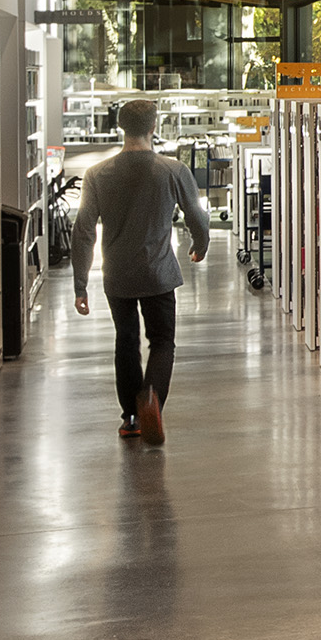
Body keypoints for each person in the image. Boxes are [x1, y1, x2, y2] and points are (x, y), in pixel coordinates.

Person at [72, 99, 210, 444]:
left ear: (121, 128)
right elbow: (197, 215)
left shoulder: (96, 174)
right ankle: (151, 398)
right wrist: (200, 245)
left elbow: (84, 231)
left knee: (126, 341)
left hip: (116, 275)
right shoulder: (173, 170)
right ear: (153, 127)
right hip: (159, 272)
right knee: (162, 341)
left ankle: (131, 418)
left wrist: (80, 285)